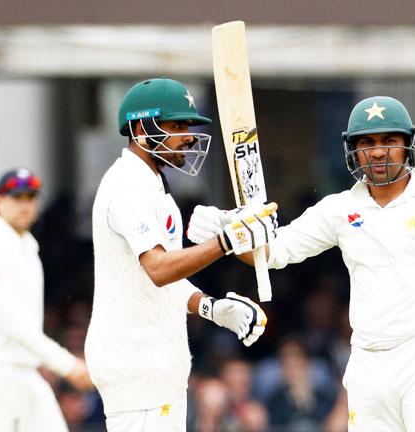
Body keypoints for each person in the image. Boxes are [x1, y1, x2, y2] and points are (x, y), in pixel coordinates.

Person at [187, 96, 415, 431]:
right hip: (369, 363)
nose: (379, 152)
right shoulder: (340, 209)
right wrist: (225, 236)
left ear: (408, 145)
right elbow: (274, 252)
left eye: (389, 141)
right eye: (367, 143)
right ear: (353, 151)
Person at [84, 77, 274, 432]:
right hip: (134, 369)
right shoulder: (128, 187)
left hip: (157, 371)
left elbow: (164, 280)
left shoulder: (157, 190)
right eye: (177, 126)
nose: (188, 135)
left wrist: (210, 307)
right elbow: (158, 268)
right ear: (142, 129)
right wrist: (227, 241)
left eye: (188, 125)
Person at [0, 168, 94, 432]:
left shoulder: (28, 246)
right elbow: (11, 322)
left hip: (25, 373)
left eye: (30, 198)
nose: (25, 205)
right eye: (17, 198)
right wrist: (66, 364)